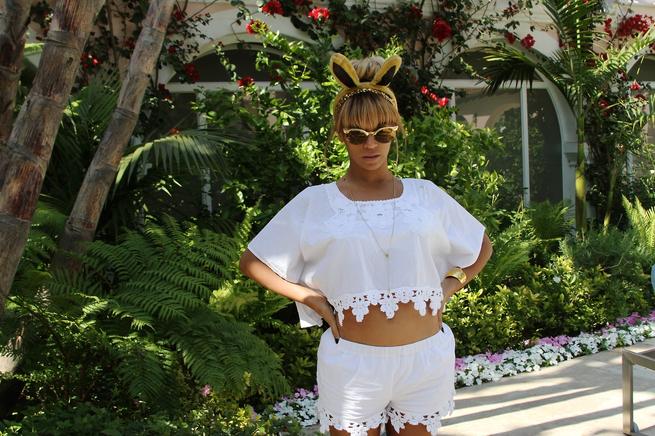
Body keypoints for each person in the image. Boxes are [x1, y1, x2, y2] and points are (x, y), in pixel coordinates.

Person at [239, 53, 493, 436]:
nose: (370, 144)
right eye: (357, 134)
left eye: (382, 133)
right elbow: (253, 261)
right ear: (341, 135)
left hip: (426, 359)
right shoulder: (316, 202)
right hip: (354, 366)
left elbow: (482, 245)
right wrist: (310, 299)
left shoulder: (425, 195)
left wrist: (450, 284)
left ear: (395, 132)